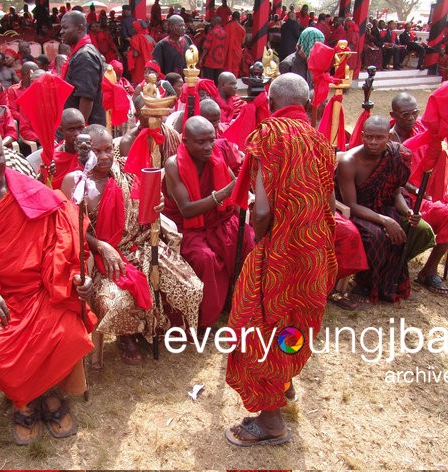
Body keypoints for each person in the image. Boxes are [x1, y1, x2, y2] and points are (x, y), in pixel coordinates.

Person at [0, 126, 95, 445]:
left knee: (67, 331)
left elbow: (62, 240)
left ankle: (52, 394)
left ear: (5, 154)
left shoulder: (31, 193)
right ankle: (23, 403)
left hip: (41, 290)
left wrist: (74, 276)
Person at [224, 72, 337, 447]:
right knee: (291, 322)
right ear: (306, 104)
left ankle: (271, 422)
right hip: (314, 253)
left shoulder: (269, 135)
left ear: (270, 103)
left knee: (252, 327)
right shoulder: (320, 140)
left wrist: (262, 242)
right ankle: (284, 382)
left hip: (281, 251)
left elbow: (262, 209)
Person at [61, 125, 202, 365]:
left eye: (108, 149)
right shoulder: (75, 182)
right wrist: (102, 247)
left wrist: (156, 204)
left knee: (191, 287)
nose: (105, 156)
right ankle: (126, 336)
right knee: (116, 303)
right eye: (97, 151)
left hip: (141, 245)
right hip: (104, 257)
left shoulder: (126, 170)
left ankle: (156, 328)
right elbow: (70, 230)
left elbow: (147, 202)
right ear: (85, 151)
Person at [164, 116, 254, 328]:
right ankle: (205, 320)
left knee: (248, 242)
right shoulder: (173, 165)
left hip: (219, 220)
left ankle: (238, 303)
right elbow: (186, 209)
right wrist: (222, 194)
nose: (208, 147)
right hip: (189, 228)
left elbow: (235, 184)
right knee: (205, 258)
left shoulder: (216, 155)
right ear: (185, 141)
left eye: (211, 140)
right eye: (200, 142)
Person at [336, 115, 434, 303]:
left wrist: (407, 212)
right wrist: (385, 221)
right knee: (377, 236)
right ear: (362, 135)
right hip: (358, 210)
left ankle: (388, 281)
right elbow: (351, 205)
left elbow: (396, 192)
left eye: (379, 137)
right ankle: (365, 284)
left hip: (385, 206)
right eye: (369, 137)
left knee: (415, 229)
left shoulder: (395, 156)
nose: (373, 142)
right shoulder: (349, 162)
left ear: (388, 137)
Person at [389, 92, 448, 288]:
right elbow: (396, 182)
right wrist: (420, 192)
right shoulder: (391, 138)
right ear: (394, 114)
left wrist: (446, 187)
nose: (411, 118)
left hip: (429, 192)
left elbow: (430, 165)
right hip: (408, 197)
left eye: (414, 113)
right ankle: (429, 271)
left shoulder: (421, 130)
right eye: (405, 115)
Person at [60, 11, 106, 126]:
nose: (61, 32)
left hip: (85, 131)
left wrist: (79, 131)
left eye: (65, 28)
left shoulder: (85, 56)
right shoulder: (80, 53)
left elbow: (86, 97)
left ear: (79, 28)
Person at [200, 16, 227, 83]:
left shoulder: (211, 32)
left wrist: (201, 58)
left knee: (209, 81)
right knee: (217, 81)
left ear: (214, 22)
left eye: (212, 21)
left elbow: (206, 47)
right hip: (220, 61)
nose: (210, 23)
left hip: (210, 61)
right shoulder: (225, 33)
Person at [224, 11, 245, 75]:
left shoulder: (226, 26)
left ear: (232, 17)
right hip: (237, 52)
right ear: (239, 18)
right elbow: (243, 42)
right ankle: (233, 81)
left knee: (225, 68)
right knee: (235, 68)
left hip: (226, 52)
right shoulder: (242, 28)